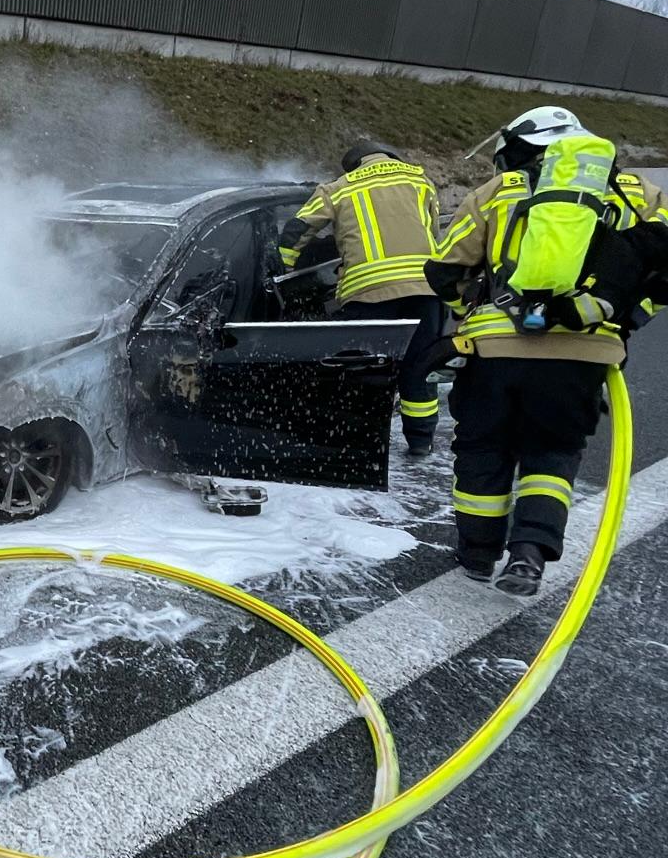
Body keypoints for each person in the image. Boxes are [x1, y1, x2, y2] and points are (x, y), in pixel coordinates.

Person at [425, 104, 668, 597]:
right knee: (553, 450)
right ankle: (530, 552)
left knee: (483, 447)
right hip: (585, 351)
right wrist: (627, 317)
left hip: (495, 347)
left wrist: (463, 311)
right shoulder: (639, 193)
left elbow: (445, 267)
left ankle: (476, 554)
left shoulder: (500, 190)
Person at [277, 138, 445, 454]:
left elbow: (295, 231)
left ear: (354, 164)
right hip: (425, 289)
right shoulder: (420, 179)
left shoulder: (338, 188)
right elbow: (432, 232)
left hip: (369, 293)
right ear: (389, 157)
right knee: (420, 367)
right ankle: (421, 441)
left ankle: (357, 445)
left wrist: (281, 272)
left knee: (365, 370)